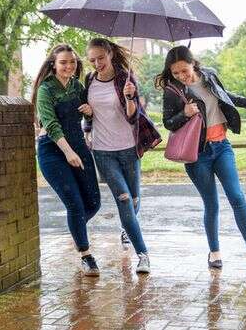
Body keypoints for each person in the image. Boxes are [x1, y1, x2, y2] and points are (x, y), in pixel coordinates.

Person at [155, 45, 246, 270]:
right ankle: (215, 253)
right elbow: (168, 122)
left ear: (193, 63)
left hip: (221, 147)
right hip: (198, 154)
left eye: (184, 70)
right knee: (211, 204)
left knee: (237, 197)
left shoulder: (209, 75)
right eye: (175, 73)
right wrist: (184, 113)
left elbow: (226, 97)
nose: (181, 76)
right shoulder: (173, 91)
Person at [84, 38, 162, 274]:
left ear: (110, 54)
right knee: (125, 199)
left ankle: (127, 228)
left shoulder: (124, 79)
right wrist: (87, 118)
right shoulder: (88, 81)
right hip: (103, 151)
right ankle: (143, 255)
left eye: (101, 58)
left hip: (129, 148)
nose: (97, 63)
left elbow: (132, 117)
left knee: (134, 200)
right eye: (92, 60)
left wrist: (130, 97)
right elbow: (89, 116)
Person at [32, 44, 102, 276]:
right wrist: (67, 152)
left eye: (72, 62)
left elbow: (88, 112)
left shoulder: (77, 86)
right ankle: (86, 255)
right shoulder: (46, 89)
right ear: (54, 64)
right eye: (63, 62)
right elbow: (50, 124)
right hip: (53, 150)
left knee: (93, 203)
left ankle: (76, 228)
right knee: (74, 204)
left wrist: (89, 111)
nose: (69, 66)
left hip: (79, 146)